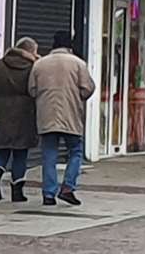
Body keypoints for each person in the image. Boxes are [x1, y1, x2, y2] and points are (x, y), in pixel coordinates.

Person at [28, 30, 97, 207]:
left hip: (46, 115)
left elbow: (32, 90)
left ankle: (48, 194)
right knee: (75, 151)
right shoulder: (78, 64)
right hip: (71, 114)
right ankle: (67, 187)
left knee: (49, 154)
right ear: (69, 44)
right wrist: (76, 96)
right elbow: (88, 88)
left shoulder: (39, 64)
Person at [0, 37, 39, 203]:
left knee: (2, 149)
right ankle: (17, 191)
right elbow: (36, 89)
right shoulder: (32, 67)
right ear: (30, 51)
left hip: (1, 113)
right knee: (21, 153)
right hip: (25, 114)